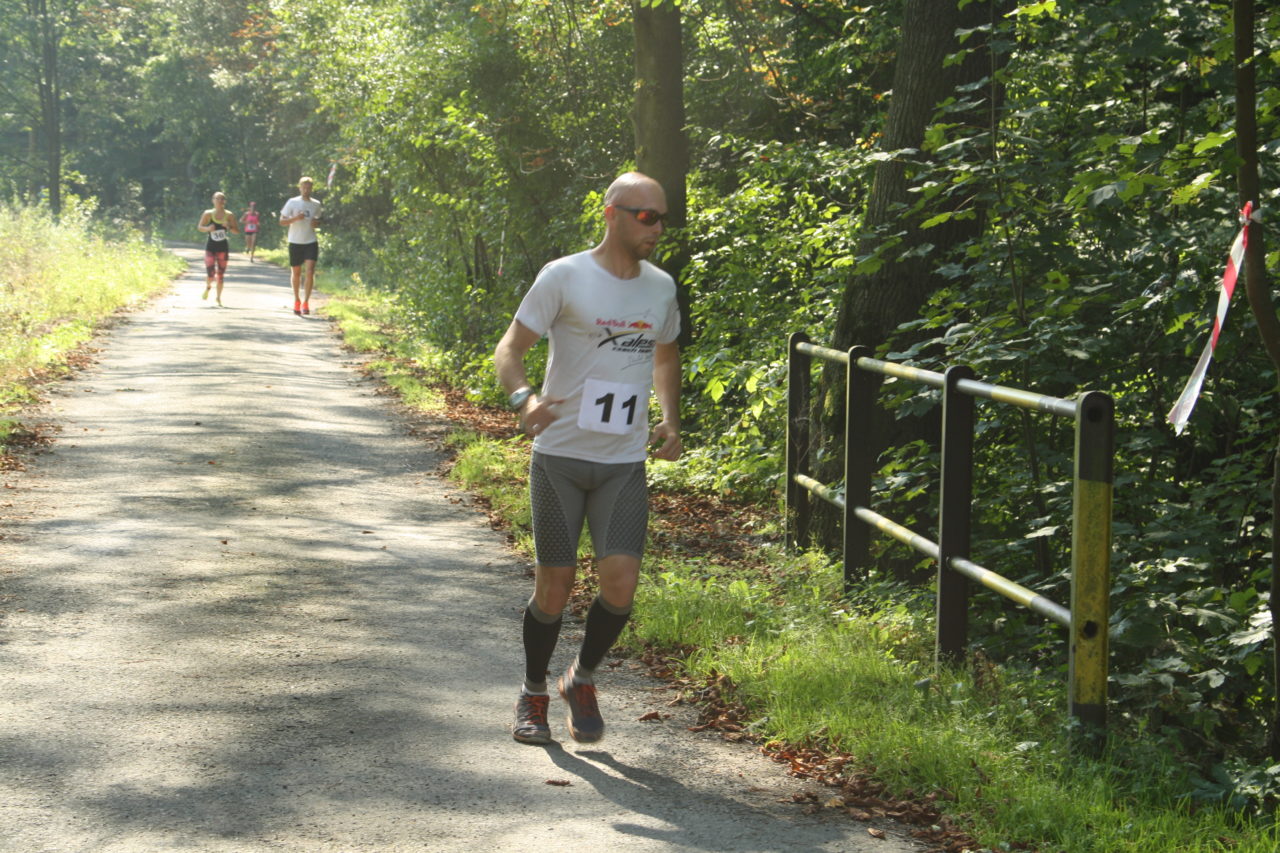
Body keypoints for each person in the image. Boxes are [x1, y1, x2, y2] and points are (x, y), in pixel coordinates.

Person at [494, 171, 683, 745]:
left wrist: (670, 417)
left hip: (623, 462)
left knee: (621, 584)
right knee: (555, 587)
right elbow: (510, 349)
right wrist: (524, 399)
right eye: (646, 216)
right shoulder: (565, 276)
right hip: (561, 456)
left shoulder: (661, 287)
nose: (657, 227)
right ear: (611, 214)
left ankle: (581, 678)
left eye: (663, 217)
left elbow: (665, 355)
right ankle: (532, 693)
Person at [279, 176, 322, 315]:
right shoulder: (292, 202)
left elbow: (317, 221)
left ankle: (306, 302)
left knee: (310, 271)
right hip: (295, 241)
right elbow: (282, 221)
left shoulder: (316, 204)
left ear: (312, 188)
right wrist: (296, 218)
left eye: (308, 187)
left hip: (310, 241)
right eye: (304, 187)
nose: (306, 190)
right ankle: (297, 300)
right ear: (299, 188)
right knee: (296, 273)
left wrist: (316, 223)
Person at [197, 192, 239, 306]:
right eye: (217, 199)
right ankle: (208, 287)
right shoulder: (208, 214)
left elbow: (236, 231)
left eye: (222, 199)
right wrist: (208, 228)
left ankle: (218, 298)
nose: (220, 201)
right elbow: (199, 227)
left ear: (225, 201)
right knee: (210, 274)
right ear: (213, 200)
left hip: (223, 248)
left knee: (220, 275)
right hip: (210, 247)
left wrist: (229, 226)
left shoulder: (229, 215)